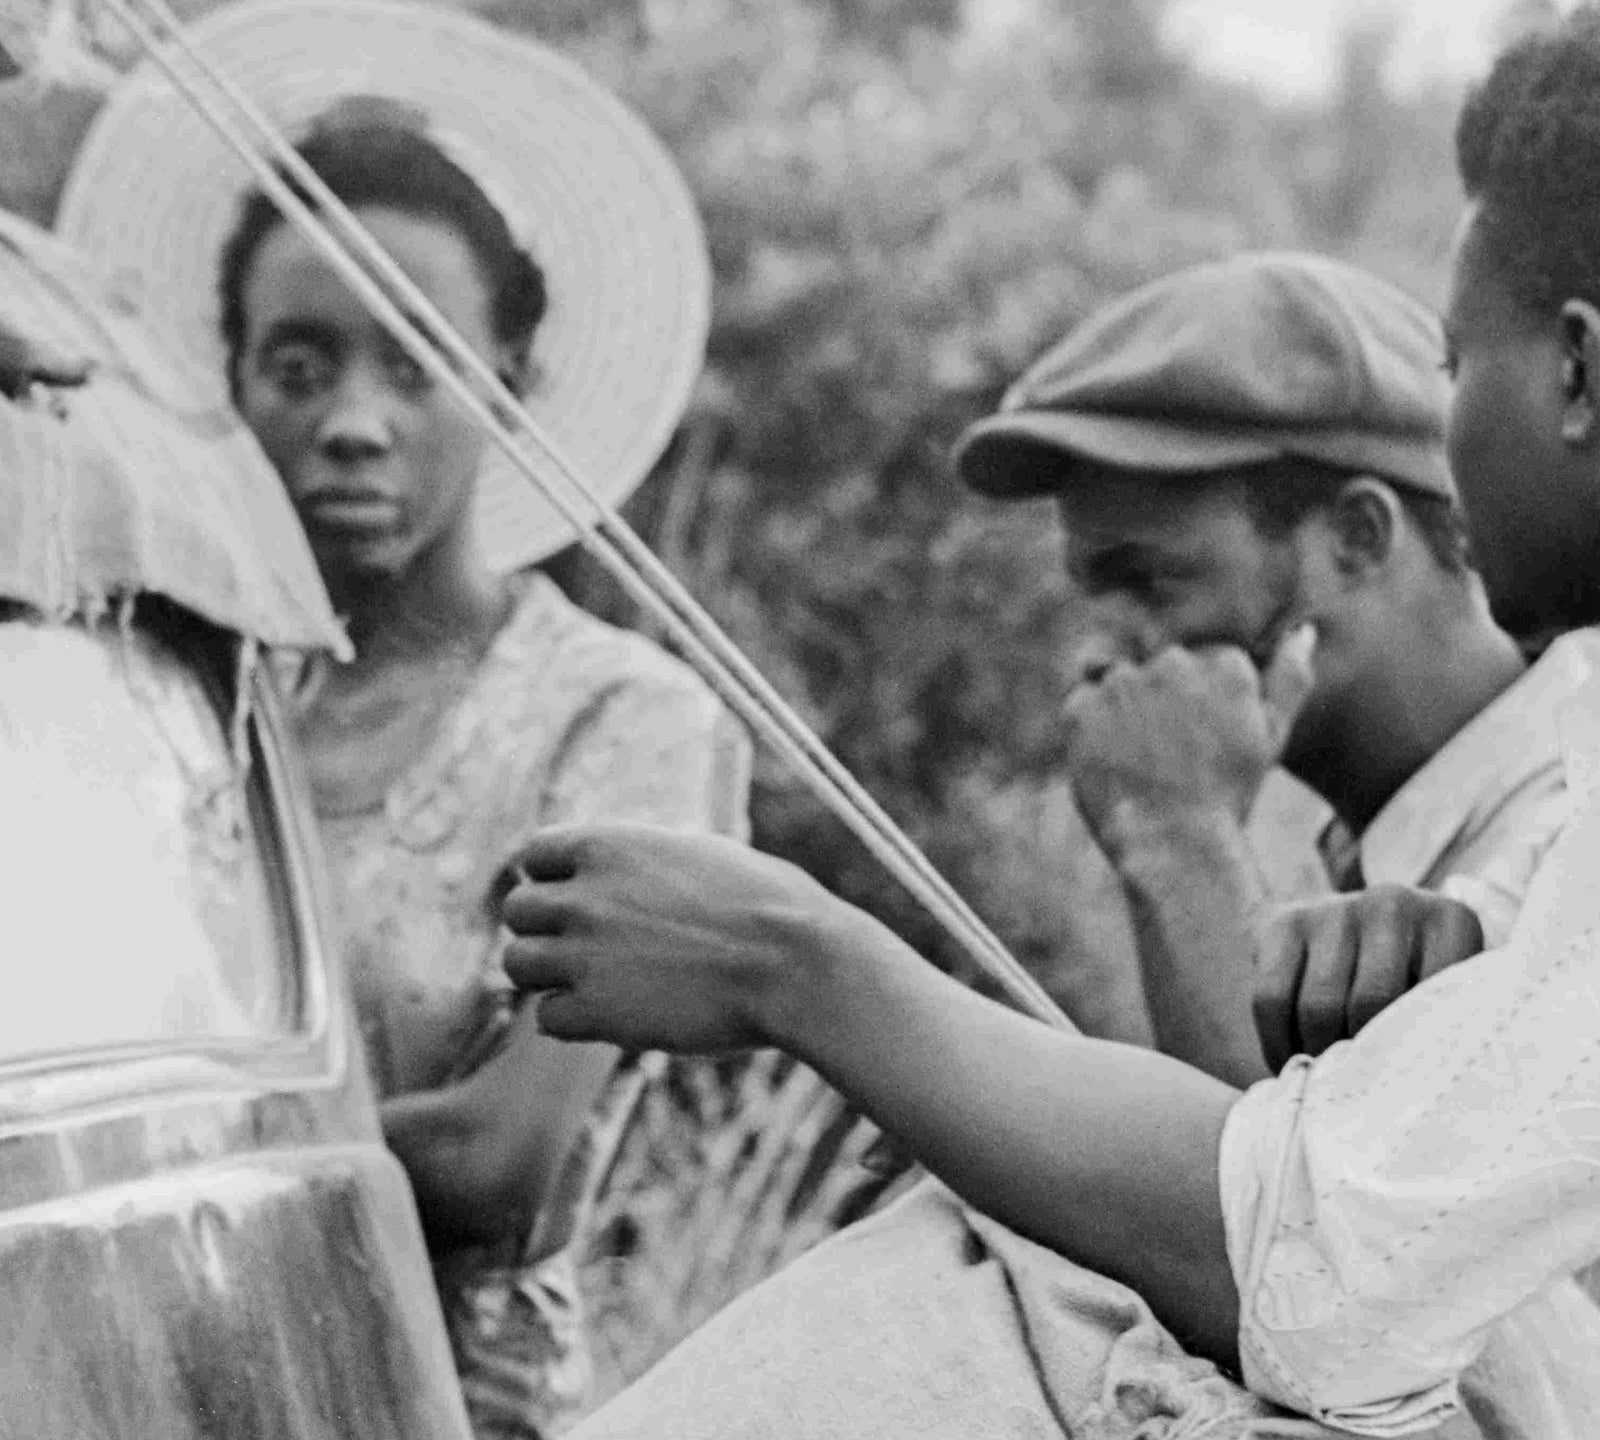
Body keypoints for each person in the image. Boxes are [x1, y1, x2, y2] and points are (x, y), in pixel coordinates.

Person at [491, 11, 1600, 1437]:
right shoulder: (1440, 859)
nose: (1117, 648)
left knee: (1038, 1273)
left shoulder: (1562, 808)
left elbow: (1295, 1286)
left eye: (1156, 583)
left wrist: (814, 958)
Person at [54, 5, 749, 1436]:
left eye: (414, 361)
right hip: (155, 1389)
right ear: (235, 388)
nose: (353, 423)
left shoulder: (620, 717)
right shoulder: (181, 701)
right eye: (298, 368)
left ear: (507, 384)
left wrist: (109, 1177)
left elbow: (505, 1158)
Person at [956, 251, 1598, 1091]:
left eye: (1150, 580)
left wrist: (1172, 831)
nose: (1103, 657)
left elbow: (1280, 1207)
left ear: (1358, 537)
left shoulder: (1567, 852)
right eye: (1094, 593)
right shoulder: (1327, 852)